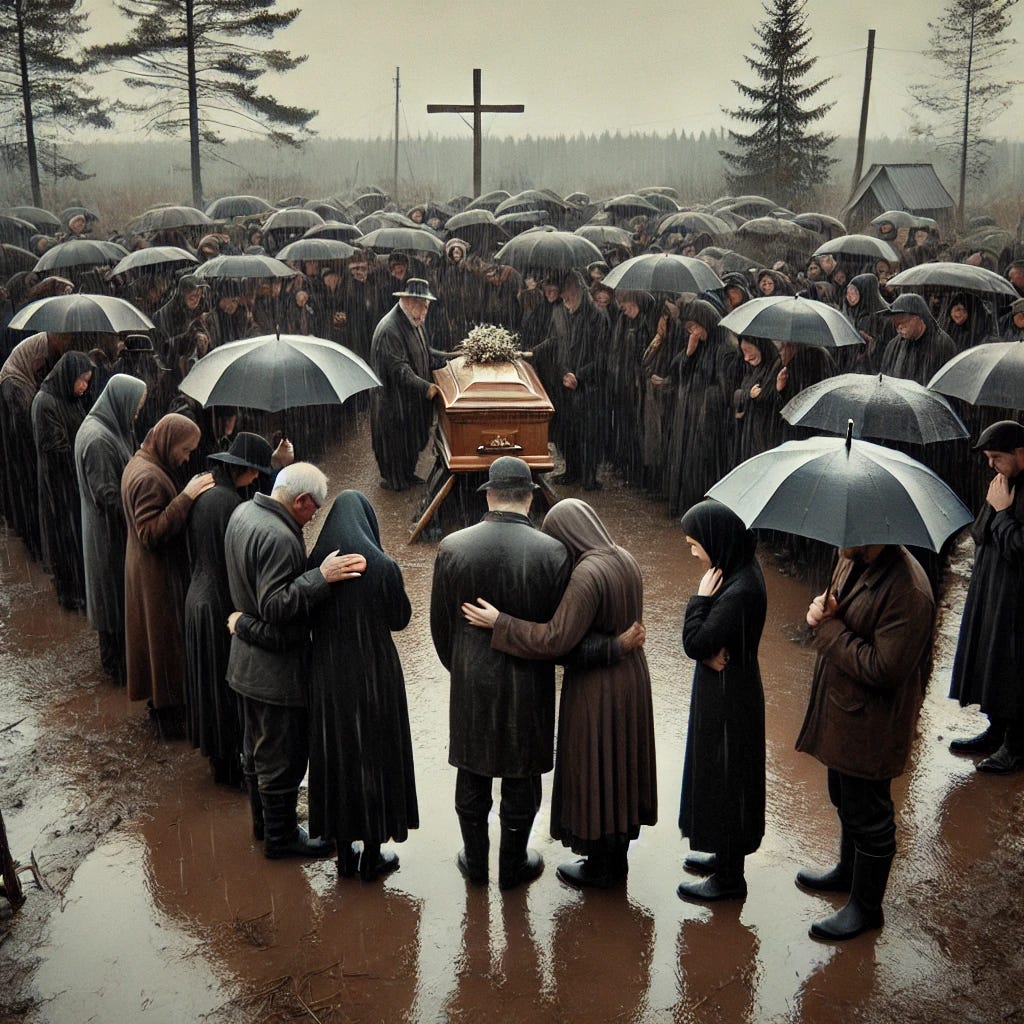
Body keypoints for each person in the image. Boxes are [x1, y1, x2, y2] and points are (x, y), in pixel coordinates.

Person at [462, 498, 657, 889]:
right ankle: (614, 862)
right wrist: (618, 646)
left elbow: (555, 640)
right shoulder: (624, 558)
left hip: (597, 686)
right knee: (620, 768)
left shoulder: (588, 574)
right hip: (631, 679)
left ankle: (601, 869)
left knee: (596, 767)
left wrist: (501, 622)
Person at [431, 457, 572, 889]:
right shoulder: (553, 552)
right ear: (530, 497)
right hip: (530, 681)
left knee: (472, 774)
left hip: (472, 677)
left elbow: (440, 628)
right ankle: (512, 866)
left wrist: (463, 666)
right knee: (521, 777)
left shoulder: (453, 547)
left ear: (489, 495)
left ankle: (476, 863)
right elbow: (556, 630)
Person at [224, 462, 365, 859]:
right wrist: (319, 577)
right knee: (280, 758)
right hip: (274, 670)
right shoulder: (279, 536)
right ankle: (281, 839)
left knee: (254, 750)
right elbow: (276, 606)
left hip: (245, 665)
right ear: (300, 500)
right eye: (313, 511)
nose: (312, 519)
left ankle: (262, 826)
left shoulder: (243, 512)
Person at [795, 541, 934, 940]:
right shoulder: (853, 556)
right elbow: (843, 613)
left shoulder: (909, 590)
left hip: (872, 724)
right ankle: (846, 873)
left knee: (870, 815)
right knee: (844, 795)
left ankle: (866, 908)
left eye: (849, 529)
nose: (840, 538)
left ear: (876, 529)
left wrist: (829, 628)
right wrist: (822, 610)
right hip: (846, 713)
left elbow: (884, 668)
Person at [306, 491, 419, 881]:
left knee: (338, 756)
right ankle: (373, 855)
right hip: (376, 674)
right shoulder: (383, 566)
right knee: (375, 757)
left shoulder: (317, 563)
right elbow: (400, 619)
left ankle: (343, 858)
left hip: (330, 676)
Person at [676, 500, 766, 903]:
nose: (692, 553)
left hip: (731, 698)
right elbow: (708, 643)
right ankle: (722, 854)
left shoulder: (739, 590)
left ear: (716, 540)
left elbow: (696, 642)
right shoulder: (737, 573)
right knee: (721, 773)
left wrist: (698, 600)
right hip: (731, 690)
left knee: (729, 780)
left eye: (695, 544)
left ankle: (730, 878)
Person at [183, 432, 274, 786]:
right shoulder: (226, 504)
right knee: (224, 685)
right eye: (257, 472)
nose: (258, 479)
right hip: (215, 604)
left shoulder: (213, 494)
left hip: (199, 597)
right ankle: (228, 768)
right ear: (247, 470)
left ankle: (220, 761)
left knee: (209, 685)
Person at [121, 413, 215, 737]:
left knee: (154, 643)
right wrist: (186, 497)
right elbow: (149, 532)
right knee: (164, 645)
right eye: (186, 449)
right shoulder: (148, 477)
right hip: (155, 577)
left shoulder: (143, 462)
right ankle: (167, 717)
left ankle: (162, 709)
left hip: (146, 572)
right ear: (169, 441)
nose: (187, 457)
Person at [948, 421, 1024, 773]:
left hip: (1017, 600)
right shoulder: (1002, 483)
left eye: (997, 457)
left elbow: (1019, 548)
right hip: (993, 590)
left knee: (1014, 668)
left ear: (1019, 453)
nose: (991, 465)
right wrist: (993, 506)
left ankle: (1017, 746)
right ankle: (997, 731)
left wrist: (1005, 513)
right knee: (991, 662)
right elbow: (979, 533)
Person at [75, 374, 147, 687]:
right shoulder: (98, 439)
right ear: (120, 401)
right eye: (135, 408)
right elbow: (106, 496)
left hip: (110, 534)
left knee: (116, 598)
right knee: (112, 600)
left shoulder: (108, 427)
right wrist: (144, 513)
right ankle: (115, 672)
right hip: (107, 538)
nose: (136, 415)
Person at [30, 351, 94, 609]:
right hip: (58, 484)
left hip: (72, 482)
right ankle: (69, 595)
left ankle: (77, 589)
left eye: (88, 381)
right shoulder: (45, 402)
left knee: (74, 538)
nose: (84, 386)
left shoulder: (70, 397)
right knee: (64, 538)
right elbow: (56, 450)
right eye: (81, 380)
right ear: (68, 376)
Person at [368, 278, 445, 491]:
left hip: (408, 401)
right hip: (393, 402)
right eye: (423, 306)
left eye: (427, 307)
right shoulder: (390, 329)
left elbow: (426, 353)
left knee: (410, 441)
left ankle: (406, 476)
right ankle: (394, 481)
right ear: (410, 301)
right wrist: (425, 387)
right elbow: (400, 370)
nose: (425, 312)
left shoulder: (413, 321)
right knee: (395, 444)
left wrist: (451, 358)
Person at [878, 293, 956, 386]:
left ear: (918, 318)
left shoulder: (942, 344)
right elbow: (885, 379)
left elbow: (947, 384)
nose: (899, 327)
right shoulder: (893, 346)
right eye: (895, 322)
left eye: (903, 321)